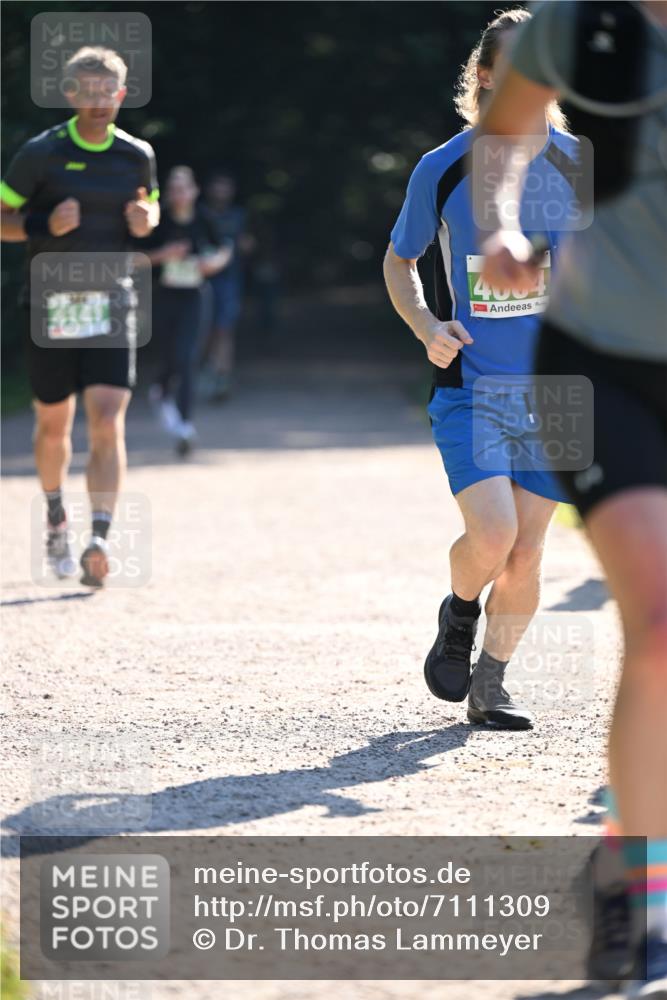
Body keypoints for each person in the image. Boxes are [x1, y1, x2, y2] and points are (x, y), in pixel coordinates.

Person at [478, 2, 667, 994]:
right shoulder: (585, 23)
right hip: (600, 360)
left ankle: (623, 847)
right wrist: (503, 224)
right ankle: (647, 898)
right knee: (659, 622)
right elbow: (503, 133)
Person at [383, 9, 577, 731]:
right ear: (486, 77)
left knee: (526, 553)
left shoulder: (579, 164)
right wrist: (426, 326)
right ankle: (460, 610)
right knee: (493, 537)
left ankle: (490, 685)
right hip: (471, 386)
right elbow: (399, 260)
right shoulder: (443, 166)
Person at [0, 46, 159, 587]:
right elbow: (2, 218)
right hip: (51, 305)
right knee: (53, 425)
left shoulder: (137, 155)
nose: (98, 102)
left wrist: (146, 219)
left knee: (108, 420)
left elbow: (151, 208)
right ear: (70, 95)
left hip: (113, 302)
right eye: (87, 93)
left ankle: (100, 537)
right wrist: (43, 224)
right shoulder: (41, 153)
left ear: (121, 94)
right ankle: (55, 517)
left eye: (107, 92)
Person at [142, 166, 231, 455]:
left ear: (194, 191)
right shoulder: (158, 221)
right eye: (173, 189)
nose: (179, 194)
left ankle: (185, 426)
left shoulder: (205, 219)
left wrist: (212, 264)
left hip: (195, 296)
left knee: (188, 357)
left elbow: (224, 249)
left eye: (183, 188)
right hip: (164, 296)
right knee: (170, 356)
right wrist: (163, 255)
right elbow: (134, 258)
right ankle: (160, 391)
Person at [201, 171, 251, 400]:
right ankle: (206, 371)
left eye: (226, 186)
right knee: (204, 328)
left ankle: (222, 375)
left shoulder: (240, 215)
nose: (221, 191)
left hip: (230, 279)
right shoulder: (199, 213)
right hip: (202, 278)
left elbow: (248, 243)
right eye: (218, 186)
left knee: (224, 329)